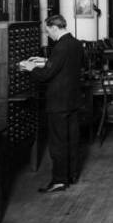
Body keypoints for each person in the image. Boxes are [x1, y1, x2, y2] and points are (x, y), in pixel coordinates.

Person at [19, 14, 84, 193]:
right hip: (73, 101)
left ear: (55, 28)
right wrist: (45, 62)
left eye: (48, 32)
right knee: (71, 140)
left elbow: (46, 75)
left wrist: (31, 68)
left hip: (58, 103)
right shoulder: (75, 44)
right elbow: (64, 66)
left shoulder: (60, 47)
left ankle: (59, 181)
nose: (48, 35)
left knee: (57, 143)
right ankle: (72, 174)